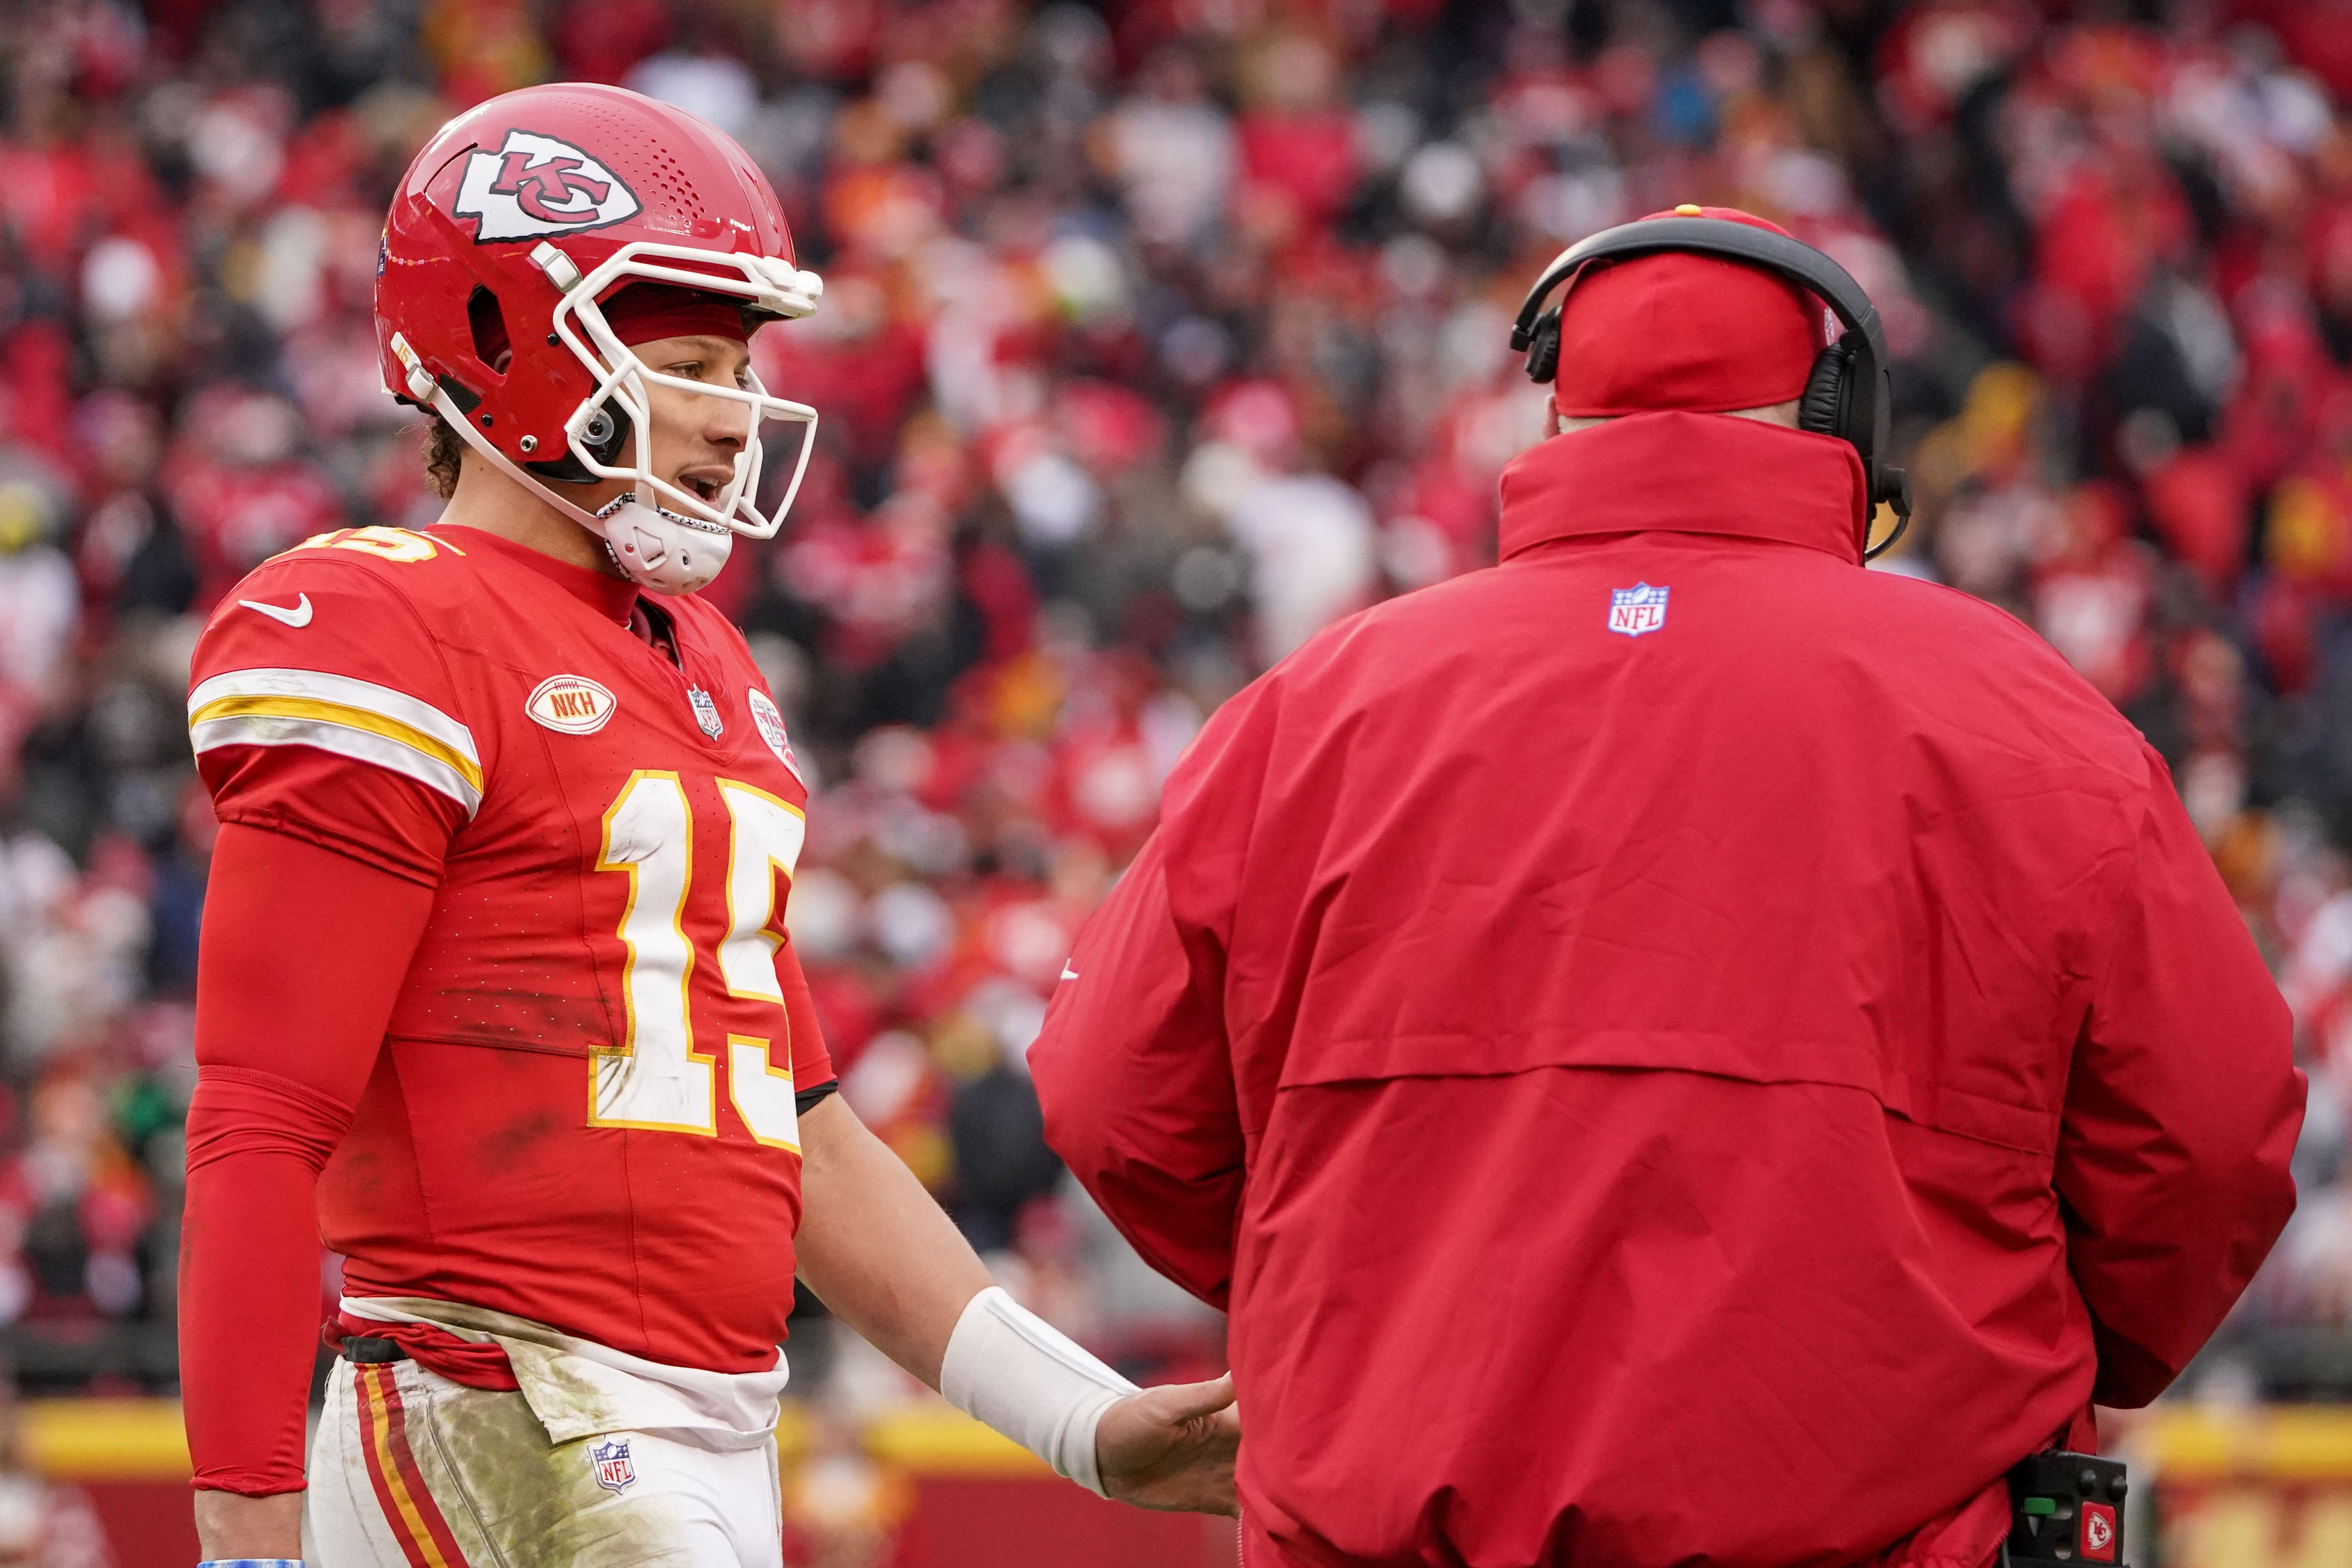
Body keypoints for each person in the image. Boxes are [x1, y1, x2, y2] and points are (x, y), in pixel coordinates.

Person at [1028, 207, 2307, 1568]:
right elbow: (2210, 1141)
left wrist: (1361, 1282)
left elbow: (1113, 1099)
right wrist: (2033, 1336)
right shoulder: (2022, 714)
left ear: (1553, 419)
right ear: (1835, 414)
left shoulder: (1314, 708)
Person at [178, 83, 1236, 1567]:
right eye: (682, 361)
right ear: (506, 345)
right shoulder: (378, 620)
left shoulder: (706, 661)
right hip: (502, 1400)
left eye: (737, 368)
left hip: (710, 1424)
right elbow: (259, 1118)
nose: (730, 417)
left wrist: (1084, 1424)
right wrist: (245, 1532)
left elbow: (793, 1124)